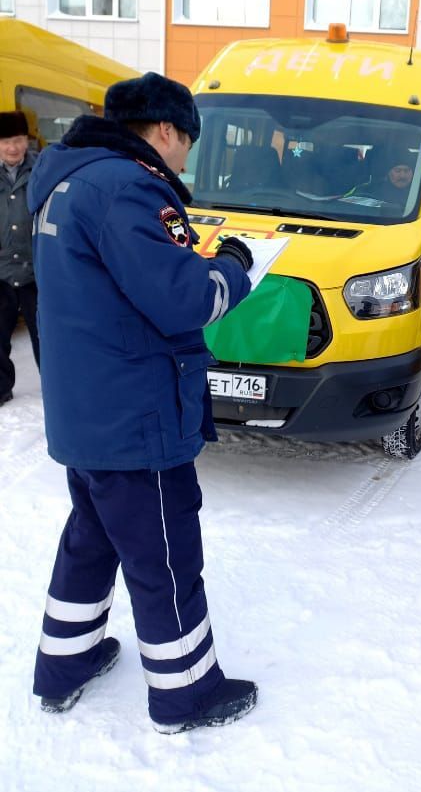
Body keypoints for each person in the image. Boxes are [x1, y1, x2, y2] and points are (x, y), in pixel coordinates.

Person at [27, 72, 260, 734]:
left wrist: (193, 263)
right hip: (135, 415)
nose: (187, 154)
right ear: (164, 129)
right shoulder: (128, 187)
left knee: (92, 539)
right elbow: (182, 298)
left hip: (87, 409)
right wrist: (235, 267)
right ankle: (186, 694)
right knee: (165, 554)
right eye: (188, 138)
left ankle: (65, 663)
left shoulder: (67, 182)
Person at [0, 110, 40, 405]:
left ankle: (56, 388)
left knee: (46, 338)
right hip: (0, 271)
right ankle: (1, 387)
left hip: (36, 273)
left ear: (27, 140)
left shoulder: (42, 171)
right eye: (4, 141)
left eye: (17, 140)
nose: (12, 147)